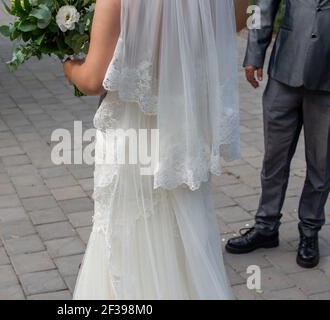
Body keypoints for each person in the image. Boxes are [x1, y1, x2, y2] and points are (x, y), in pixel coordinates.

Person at [64, 0, 240, 299]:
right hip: (184, 133)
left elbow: (93, 79)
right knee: (185, 239)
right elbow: (232, 22)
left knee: (128, 242)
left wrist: (68, 64)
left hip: (134, 140)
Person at [226, 0, 330, 269]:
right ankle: (265, 227)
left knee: (321, 164)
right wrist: (253, 54)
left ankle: (309, 232)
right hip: (285, 69)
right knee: (274, 158)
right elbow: (263, 6)